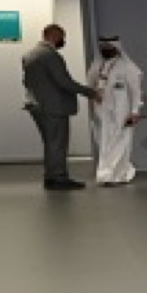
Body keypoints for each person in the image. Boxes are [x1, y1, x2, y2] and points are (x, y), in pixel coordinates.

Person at [21, 23, 99, 191]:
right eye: (62, 37)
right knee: (57, 143)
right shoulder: (50, 56)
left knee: (50, 142)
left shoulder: (29, 55)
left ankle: (51, 177)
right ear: (53, 36)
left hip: (37, 105)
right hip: (53, 107)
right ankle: (58, 178)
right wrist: (90, 92)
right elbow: (64, 82)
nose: (63, 40)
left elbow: (26, 82)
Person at [89, 35, 146, 188]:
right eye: (103, 48)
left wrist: (134, 111)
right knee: (104, 143)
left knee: (120, 141)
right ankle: (107, 174)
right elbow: (91, 87)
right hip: (101, 112)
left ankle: (113, 174)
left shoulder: (128, 67)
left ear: (116, 48)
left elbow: (136, 92)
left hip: (121, 111)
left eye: (109, 47)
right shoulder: (97, 66)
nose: (105, 50)